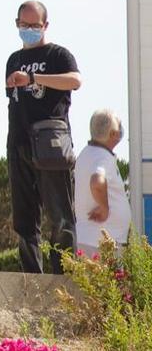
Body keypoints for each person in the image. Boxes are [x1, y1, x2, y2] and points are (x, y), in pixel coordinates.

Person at [5, 0, 82, 274]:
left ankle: (63, 277)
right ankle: (31, 278)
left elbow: (75, 80)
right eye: (24, 25)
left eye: (34, 25)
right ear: (17, 24)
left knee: (60, 216)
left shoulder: (58, 55)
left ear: (45, 25)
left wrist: (35, 79)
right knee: (25, 220)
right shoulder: (13, 59)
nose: (29, 30)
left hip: (51, 145)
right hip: (19, 143)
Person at [74, 109, 129, 255]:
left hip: (89, 240)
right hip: (102, 242)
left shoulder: (86, 154)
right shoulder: (103, 157)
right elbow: (97, 181)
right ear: (112, 134)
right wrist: (104, 208)